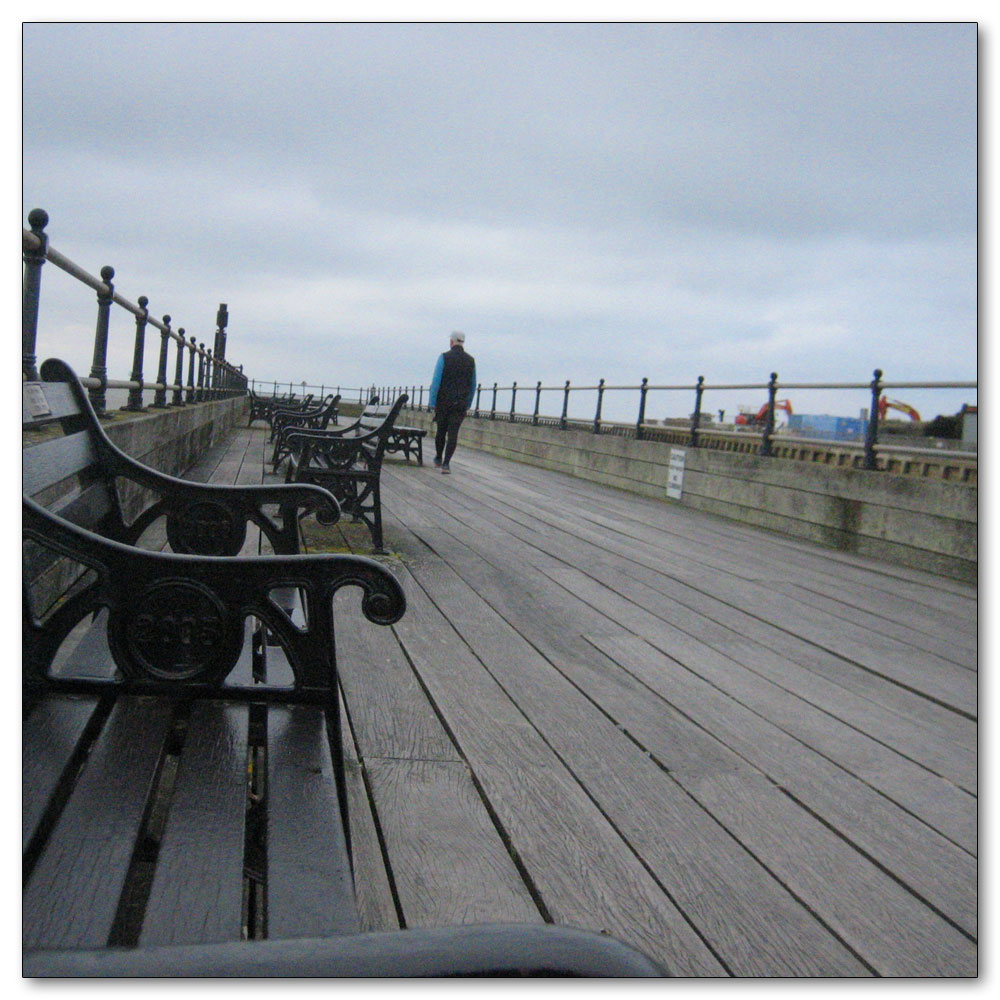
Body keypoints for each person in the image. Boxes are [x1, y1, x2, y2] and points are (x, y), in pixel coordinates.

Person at [428, 331, 477, 474]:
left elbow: (436, 382)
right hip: (460, 403)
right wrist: (468, 403)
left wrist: (432, 402)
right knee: (453, 434)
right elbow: (473, 385)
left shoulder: (444, 357)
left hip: (443, 402)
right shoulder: (471, 361)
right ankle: (446, 464)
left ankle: (438, 457)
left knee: (441, 431)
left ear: (451, 342)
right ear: (463, 342)